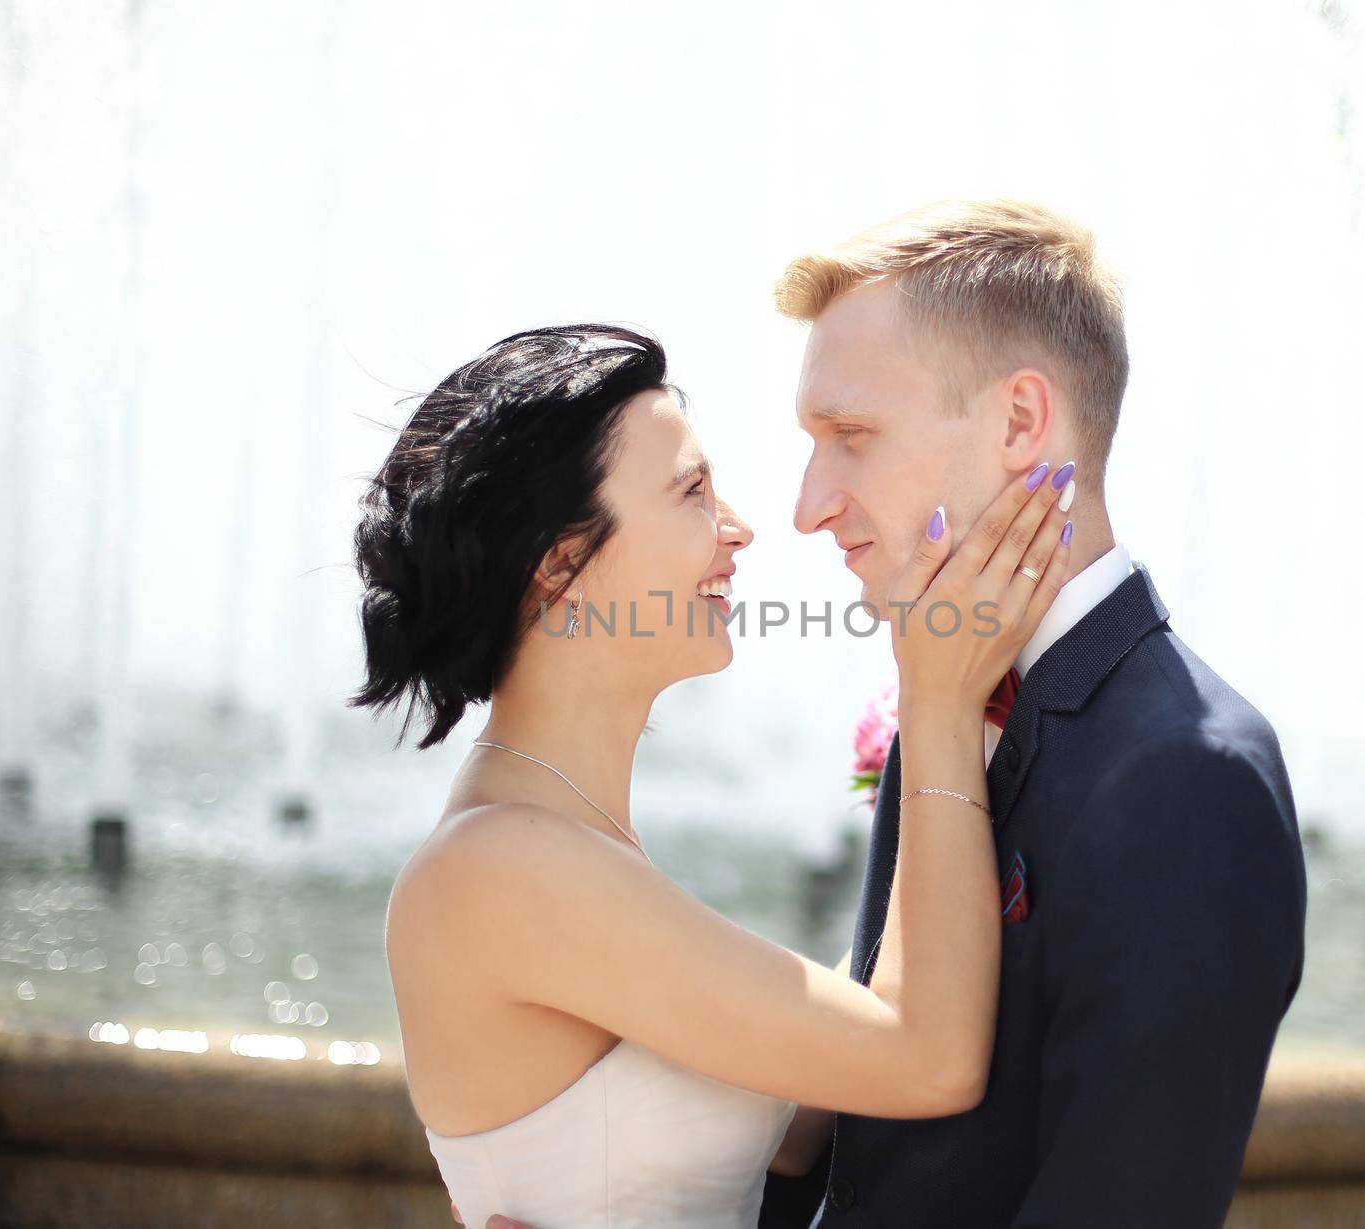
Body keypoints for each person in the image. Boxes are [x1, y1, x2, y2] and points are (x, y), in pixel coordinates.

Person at [350, 323, 1077, 1228]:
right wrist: (935, 707)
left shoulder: (565, 840)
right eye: (693, 492)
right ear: (560, 565)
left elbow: (811, 1114)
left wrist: (971, 719)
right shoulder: (500, 866)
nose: (738, 528)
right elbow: (926, 1058)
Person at [755, 199, 1309, 1227]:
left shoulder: (1190, 777)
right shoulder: (942, 688)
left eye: (851, 436)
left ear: (1020, 422)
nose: (808, 503)